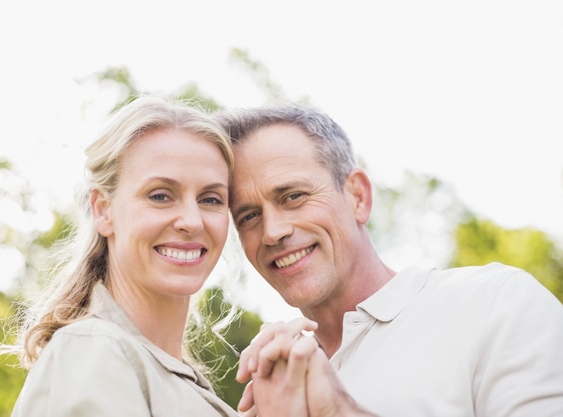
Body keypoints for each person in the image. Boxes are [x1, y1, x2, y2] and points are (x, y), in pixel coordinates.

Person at [217, 103, 563, 417]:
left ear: (358, 196)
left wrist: (337, 411)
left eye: (293, 196)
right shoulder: (273, 394)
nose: (272, 232)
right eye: (248, 216)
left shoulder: (496, 304)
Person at [0, 95, 242, 416]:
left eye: (210, 199)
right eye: (161, 195)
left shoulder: (157, 370)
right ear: (103, 209)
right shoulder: (91, 351)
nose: (192, 222)